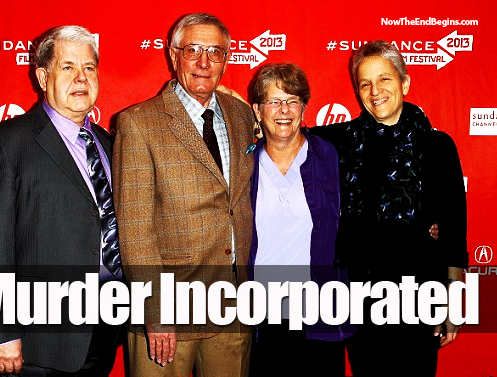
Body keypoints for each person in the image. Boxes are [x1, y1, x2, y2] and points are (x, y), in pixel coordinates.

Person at [0, 25, 123, 376]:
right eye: (67, 67)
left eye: (89, 68)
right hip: (39, 341)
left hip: (104, 330)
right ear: (42, 76)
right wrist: (2, 332)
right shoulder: (5, 143)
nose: (81, 78)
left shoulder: (110, 143)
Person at [310, 40, 468, 376]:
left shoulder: (437, 146)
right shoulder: (336, 142)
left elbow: (454, 229)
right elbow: (282, 131)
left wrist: (452, 303)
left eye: (385, 79)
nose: (375, 90)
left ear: (404, 82)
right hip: (359, 295)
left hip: (419, 293)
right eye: (365, 83)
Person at [113, 13, 255, 377]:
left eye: (215, 52)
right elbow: (135, 228)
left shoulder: (240, 114)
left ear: (227, 58)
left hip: (231, 305)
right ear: (173, 55)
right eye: (193, 50)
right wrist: (155, 310)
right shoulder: (139, 123)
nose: (204, 62)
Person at [247, 63, 354, 377]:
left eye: (293, 101)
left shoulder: (331, 155)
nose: (284, 110)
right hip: (260, 314)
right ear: (257, 110)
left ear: (304, 107)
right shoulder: (243, 162)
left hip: (320, 310)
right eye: (274, 101)